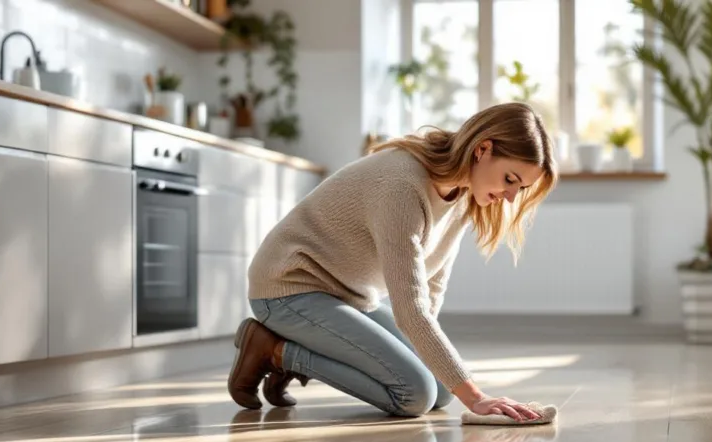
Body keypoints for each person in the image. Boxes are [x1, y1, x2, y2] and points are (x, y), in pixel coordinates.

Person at [227, 102, 558, 422]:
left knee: (442, 390)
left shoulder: (462, 192)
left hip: (347, 296)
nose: (512, 197)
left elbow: (432, 286)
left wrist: (436, 364)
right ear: (482, 149)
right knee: (413, 394)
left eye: (521, 188)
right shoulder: (402, 186)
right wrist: (477, 398)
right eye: (510, 179)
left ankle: (294, 347)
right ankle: (275, 350)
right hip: (288, 288)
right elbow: (410, 308)